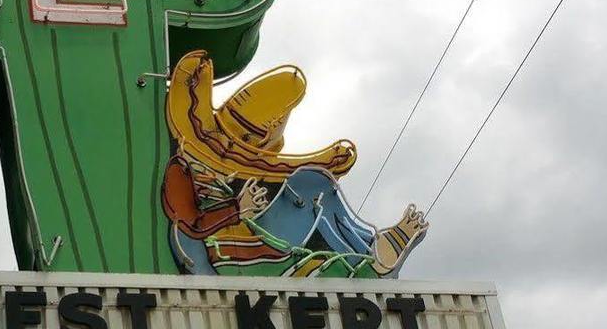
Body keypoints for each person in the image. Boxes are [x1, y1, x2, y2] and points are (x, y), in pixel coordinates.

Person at [162, 50, 426, 277]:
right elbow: (188, 224)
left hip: (256, 244)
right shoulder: (182, 168)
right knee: (312, 185)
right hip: (226, 257)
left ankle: (369, 251)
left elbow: (272, 167)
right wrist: (237, 209)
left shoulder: (240, 168)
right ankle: (370, 261)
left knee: (314, 182)